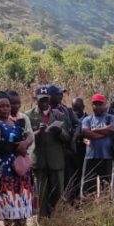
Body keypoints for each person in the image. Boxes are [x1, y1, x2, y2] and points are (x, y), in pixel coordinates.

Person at [0, 90, 35, 226]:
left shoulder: (18, 123)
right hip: (5, 172)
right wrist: (18, 146)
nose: (6, 109)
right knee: (9, 204)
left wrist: (26, 142)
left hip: (21, 172)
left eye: (8, 106)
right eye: (2, 106)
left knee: (22, 203)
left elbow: (29, 135)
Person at [26, 85, 73, 217]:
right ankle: (42, 223)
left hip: (56, 161)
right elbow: (25, 138)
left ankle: (58, 221)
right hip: (39, 162)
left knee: (58, 193)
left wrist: (59, 132)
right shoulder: (28, 116)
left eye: (47, 99)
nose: (45, 102)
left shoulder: (59, 115)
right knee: (41, 194)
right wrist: (37, 133)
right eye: (42, 100)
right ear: (36, 99)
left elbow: (67, 138)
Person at [80, 93, 114, 196]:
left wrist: (96, 130)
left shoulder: (110, 118)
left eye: (100, 104)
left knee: (106, 185)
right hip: (91, 157)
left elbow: (113, 129)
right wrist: (104, 134)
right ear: (92, 105)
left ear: (104, 105)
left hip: (106, 156)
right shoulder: (87, 119)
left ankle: (105, 207)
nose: (97, 106)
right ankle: (89, 207)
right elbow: (87, 133)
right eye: (95, 104)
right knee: (88, 187)